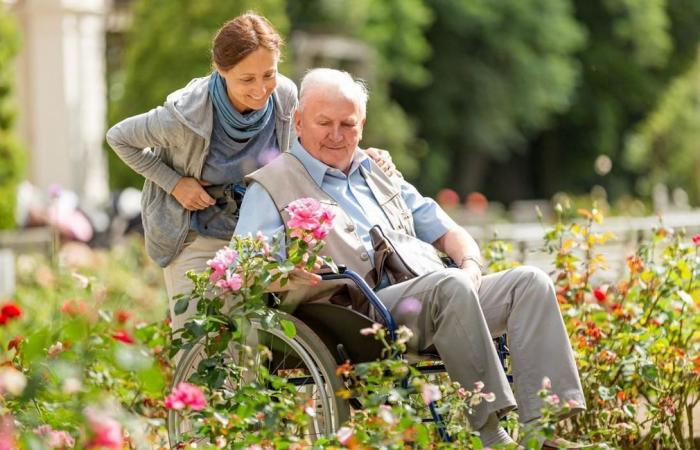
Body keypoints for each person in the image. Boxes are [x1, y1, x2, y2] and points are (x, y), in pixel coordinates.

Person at [234, 68, 587, 449]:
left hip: (434, 296)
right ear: (299, 121)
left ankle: (542, 433)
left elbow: (451, 232)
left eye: (347, 124)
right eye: (324, 123)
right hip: (356, 316)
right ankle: (492, 435)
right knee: (448, 285)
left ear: (362, 125)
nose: (336, 135)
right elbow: (248, 267)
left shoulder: (379, 172)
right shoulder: (272, 185)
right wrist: (288, 275)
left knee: (529, 283)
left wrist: (470, 265)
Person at [107, 13, 394, 332]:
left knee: (254, 344)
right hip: (196, 235)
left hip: (257, 233)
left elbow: (310, 143)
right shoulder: (185, 115)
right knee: (199, 339)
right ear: (221, 70)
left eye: (268, 74)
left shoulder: (284, 95)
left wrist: (359, 155)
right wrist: (175, 184)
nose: (260, 90)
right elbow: (119, 137)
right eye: (247, 79)